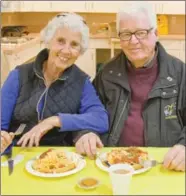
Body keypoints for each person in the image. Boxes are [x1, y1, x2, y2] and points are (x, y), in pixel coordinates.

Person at [76, 2, 186, 171]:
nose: (133, 41)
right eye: (126, 34)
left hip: (164, 166)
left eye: (141, 33)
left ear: (155, 33)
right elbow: (87, 113)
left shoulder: (180, 73)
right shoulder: (107, 73)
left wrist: (184, 146)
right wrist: (85, 133)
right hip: (114, 165)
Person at [1, 13, 108, 154]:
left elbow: (101, 119)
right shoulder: (19, 76)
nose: (66, 50)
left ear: (80, 51)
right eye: (61, 41)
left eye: (74, 44)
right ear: (49, 41)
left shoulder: (81, 82)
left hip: (59, 157)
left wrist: (54, 120)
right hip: (17, 154)